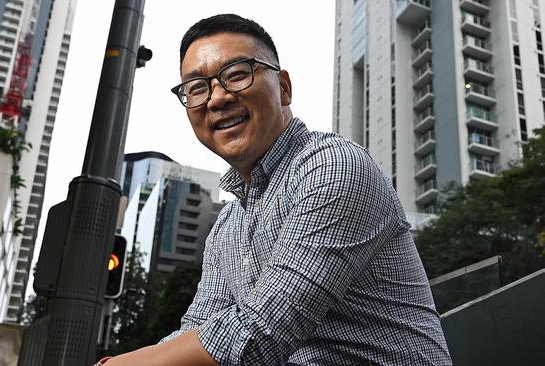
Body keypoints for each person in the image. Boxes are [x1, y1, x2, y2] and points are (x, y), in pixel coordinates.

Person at [99, 13, 452, 366]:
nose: (216, 98)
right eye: (196, 87)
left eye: (236, 74)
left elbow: (262, 332)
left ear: (283, 88)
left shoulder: (334, 166)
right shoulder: (227, 226)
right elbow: (197, 329)